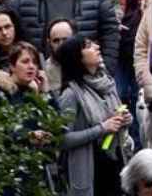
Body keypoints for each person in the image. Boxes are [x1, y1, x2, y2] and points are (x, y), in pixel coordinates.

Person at [54, 34, 132, 196]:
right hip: (91, 168)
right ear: (77, 57)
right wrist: (102, 128)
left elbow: (114, 115)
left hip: (115, 160)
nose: (97, 47)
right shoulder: (71, 94)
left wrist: (125, 119)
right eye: (88, 46)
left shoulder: (106, 82)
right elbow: (61, 140)